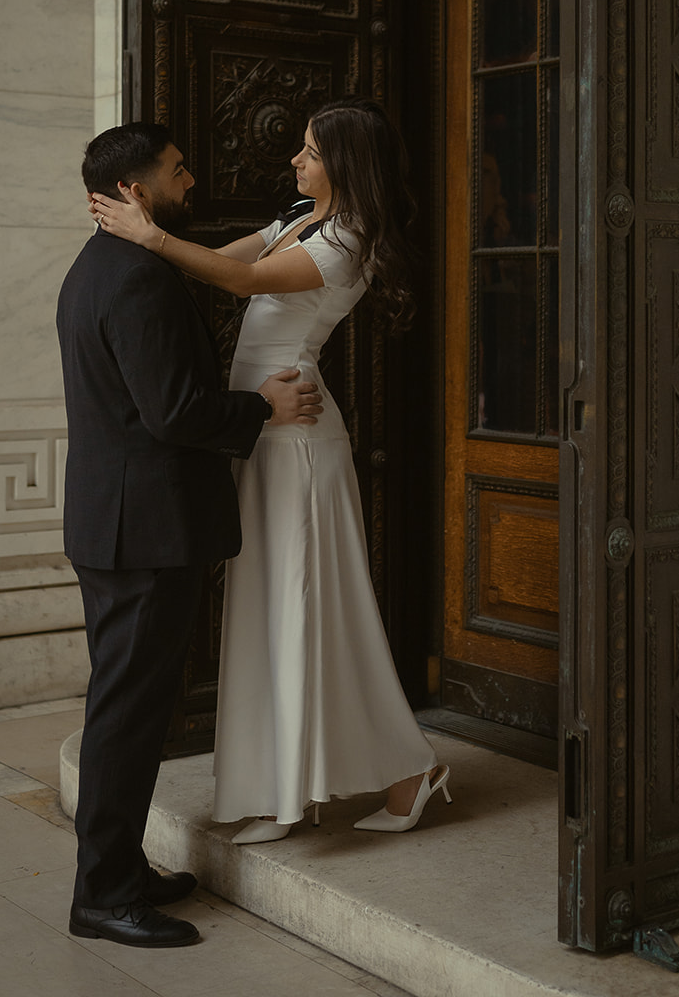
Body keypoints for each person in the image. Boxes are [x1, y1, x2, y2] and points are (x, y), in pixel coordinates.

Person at [89, 99, 451, 843]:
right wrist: (150, 238)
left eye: (311, 152)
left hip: (299, 439)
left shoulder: (346, 240)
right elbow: (232, 253)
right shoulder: (299, 215)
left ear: (345, 164)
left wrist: (149, 234)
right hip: (263, 428)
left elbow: (241, 282)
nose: (296, 160)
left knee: (304, 609)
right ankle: (295, 784)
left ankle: (368, 777)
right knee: (273, 610)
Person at [57, 122, 322, 950]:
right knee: (125, 718)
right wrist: (263, 408)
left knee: (127, 710)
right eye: (177, 172)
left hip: (120, 521)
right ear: (135, 191)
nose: (192, 179)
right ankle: (101, 895)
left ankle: (121, 872)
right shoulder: (135, 278)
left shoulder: (102, 263)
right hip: (143, 531)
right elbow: (173, 413)